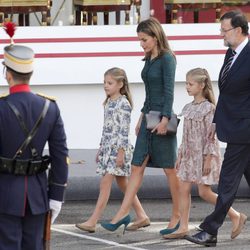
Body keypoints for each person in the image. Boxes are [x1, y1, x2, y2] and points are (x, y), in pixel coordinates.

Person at [101, 17, 180, 234]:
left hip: (161, 119)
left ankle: (177, 216)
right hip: (148, 119)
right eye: (140, 40)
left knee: (170, 170)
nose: (142, 44)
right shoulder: (149, 59)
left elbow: (168, 91)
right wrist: (140, 117)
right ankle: (122, 214)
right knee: (136, 166)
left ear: (155, 37)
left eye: (144, 39)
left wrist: (165, 119)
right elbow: (149, 93)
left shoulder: (167, 59)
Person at [0, 26, 68, 250]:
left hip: (4, 196)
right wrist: (56, 195)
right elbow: (60, 157)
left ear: (8, 74)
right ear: (29, 73)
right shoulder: (50, 107)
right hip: (38, 198)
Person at [185, 10, 249, 247]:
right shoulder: (230, 54)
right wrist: (216, 122)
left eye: (225, 30)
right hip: (233, 125)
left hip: (245, 128)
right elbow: (226, 93)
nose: (221, 34)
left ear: (239, 31)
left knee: (228, 181)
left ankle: (210, 229)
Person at [164, 68, 243, 240]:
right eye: (186, 83)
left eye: (190, 84)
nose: (187, 87)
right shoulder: (187, 108)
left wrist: (208, 158)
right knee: (183, 188)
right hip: (188, 156)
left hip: (204, 156)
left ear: (201, 85)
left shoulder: (210, 109)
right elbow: (185, 136)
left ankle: (235, 215)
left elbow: (211, 136)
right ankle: (183, 226)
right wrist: (180, 155)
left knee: (204, 193)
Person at [75, 67, 149, 233]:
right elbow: (106, 127)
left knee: (105, 183)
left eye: (110, 83)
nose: (106, 86)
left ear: (120, 84)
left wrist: (121, 153)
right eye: (104, 82)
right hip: (108, 149)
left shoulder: (124, 104)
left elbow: (124, 130)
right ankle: (142, 215)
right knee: (124, 185)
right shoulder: (108, 102)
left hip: (118, 151)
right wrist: (101, 148)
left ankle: (92, 221)